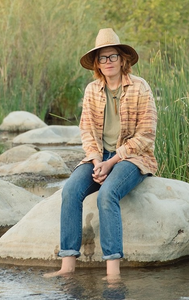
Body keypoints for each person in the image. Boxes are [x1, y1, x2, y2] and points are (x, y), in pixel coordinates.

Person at [44, 28, 157, 278]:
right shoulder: (92, 90)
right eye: (102, 58)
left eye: (113, 56)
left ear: (122, 59)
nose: (108, 62)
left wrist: (112, 162)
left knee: (108, 193)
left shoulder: (140, 87)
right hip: (100, 156)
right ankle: (67, 265)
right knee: (71, 189)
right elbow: (86, 131)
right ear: (97, 62)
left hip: (132, 158)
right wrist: (96, 160)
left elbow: (146, 135)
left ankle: (113, 271)